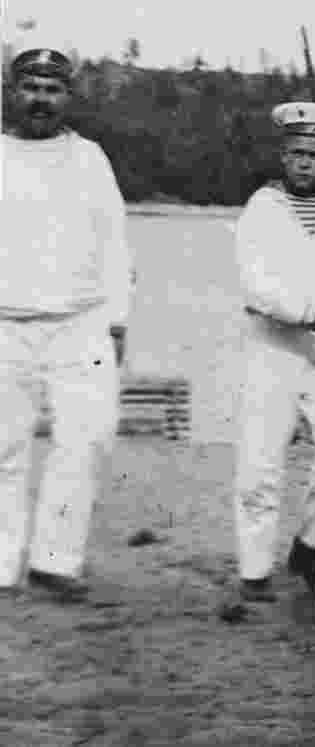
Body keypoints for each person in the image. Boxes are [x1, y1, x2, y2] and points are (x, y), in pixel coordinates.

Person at [0, 47, 133, 602]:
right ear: (13, 92)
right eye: (31, 87)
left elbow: (115, 243)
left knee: (84, 441)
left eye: (52, 89)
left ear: (68, 97)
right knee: (2, 447)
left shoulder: (89, 159)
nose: (41, 99)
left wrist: (117, 323)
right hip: (5, 324)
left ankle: (55, 561)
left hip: (80, 324)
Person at [233, 101, 315, 603]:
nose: (305, 163)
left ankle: (309, 543)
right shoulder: (262, 208)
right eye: (296, 153)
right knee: (261, 463)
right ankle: (254, 569)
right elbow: (256, 288)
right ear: (283, 156)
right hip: (272, 348)